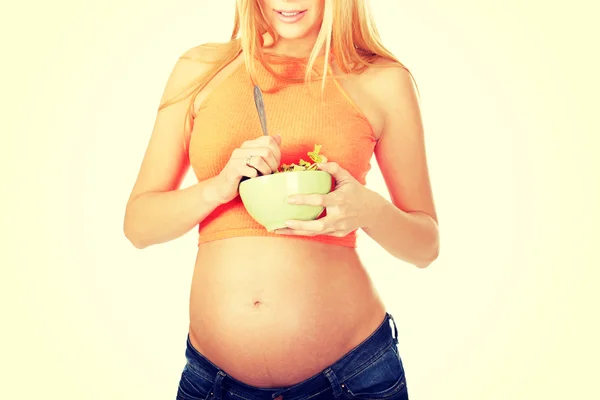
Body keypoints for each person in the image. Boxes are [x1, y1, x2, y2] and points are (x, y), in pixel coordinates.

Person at [124, 0, 439, 399]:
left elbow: (426, 246)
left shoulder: (382, 80)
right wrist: (218, 188)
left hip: (352, 378)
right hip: (213, 384)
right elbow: (138, 226)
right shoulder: (200, 70)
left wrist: (370, 210)